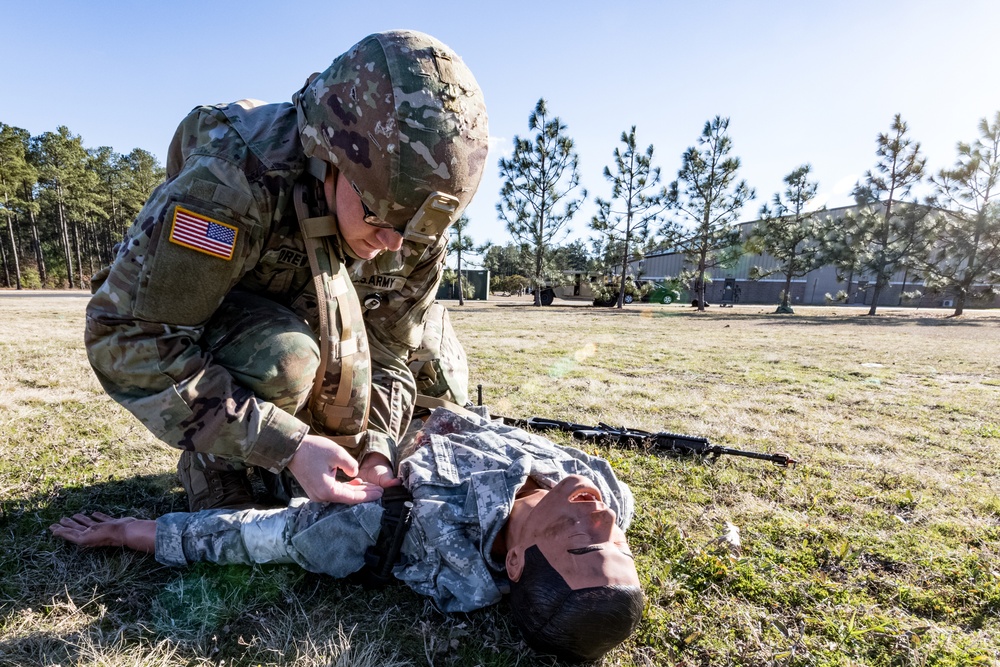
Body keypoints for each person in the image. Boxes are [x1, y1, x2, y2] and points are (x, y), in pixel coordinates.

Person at [83, 29, 490, 511]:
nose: (391, 244)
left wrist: (377, 450)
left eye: (413, 230)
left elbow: (387, 348)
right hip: (239, 324)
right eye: (380, 216)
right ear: (330, 159)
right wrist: (285, 444)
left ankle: (313, 445)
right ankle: (217, 463)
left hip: (328, 324)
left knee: (444, 376)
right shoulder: (233, 179)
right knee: (284, 359)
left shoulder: (412, 226)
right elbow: (130, 336)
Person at [51, 408, 645, 663]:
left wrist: (133, 531)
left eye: (584, 545)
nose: (602, 523)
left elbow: (267, 535)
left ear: (514, 562)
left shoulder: (404, 530)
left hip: (344, 438)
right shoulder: (611, 496)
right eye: (617, 547)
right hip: (420, 404)